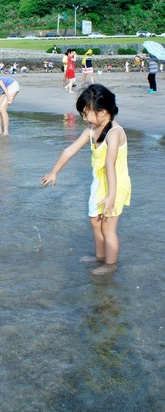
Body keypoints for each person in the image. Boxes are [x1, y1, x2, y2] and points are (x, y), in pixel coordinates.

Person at [41, 84, 131, 275]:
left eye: (87, 113)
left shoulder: (115, 133)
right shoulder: (92, 129)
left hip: (115, 185)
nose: (84, 118)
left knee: (108, 228)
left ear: (104, 112)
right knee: (94, 222)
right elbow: (70, 150)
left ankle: (110, 265)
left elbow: (110, 165)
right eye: (83, 114)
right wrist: (54, 172)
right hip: (99, 183)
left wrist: (112, 196)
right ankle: (99, 257)